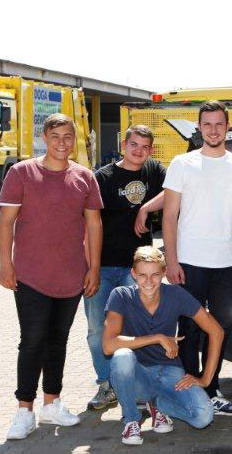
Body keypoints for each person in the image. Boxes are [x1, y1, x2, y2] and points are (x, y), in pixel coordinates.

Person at [0, 113, 103, 440]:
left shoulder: (84, 177)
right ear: (44, 138)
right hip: (30, 275)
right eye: (55, 136)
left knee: (58, 341)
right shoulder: (21, 172)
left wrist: (94, 268)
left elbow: (94, 224)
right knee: (32, 341)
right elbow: (6, 222)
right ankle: (24, 411)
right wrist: (5, 264)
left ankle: (52, 403)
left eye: (68, 136)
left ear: (75, 140)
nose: (62, 142)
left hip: (71, 276)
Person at [163, 100, 232, 415]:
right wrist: (171, 260)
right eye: (207, 124)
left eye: (219, 124)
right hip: (189, 262)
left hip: (226, 263)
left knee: (221, 328)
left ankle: (212, 389)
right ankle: (191, 392)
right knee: (189, 329)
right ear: (199, 127)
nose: (213, 130)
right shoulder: (181, 163)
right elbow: (169, 215)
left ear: (227, 127)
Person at [104, 246, 221, 445]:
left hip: (169, 371)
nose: (149, 281)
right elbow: (108, 345)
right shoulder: (121, 295)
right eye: (142, 275)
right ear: (133, 274)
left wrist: (206, 379)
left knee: (203, 417)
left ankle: (159, 405)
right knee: (122, 356)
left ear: (164, 273)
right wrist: (157, 338)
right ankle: (131, 419)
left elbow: (216, 331)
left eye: (155, 275)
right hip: (137, 375)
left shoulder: (175, 294)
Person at [86, 125, 166, 410]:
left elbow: (175, 192)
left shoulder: (154, 171)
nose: (139, 151)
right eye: (134, 145)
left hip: (138, 269)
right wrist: (91, 268)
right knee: (98, 329)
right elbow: (90, 224)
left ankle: (138, 388)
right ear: (124, 145)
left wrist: (146, 208)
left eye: (145, 147)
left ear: (151, 150)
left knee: (139, 327)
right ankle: (107, 385)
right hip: (104, 266)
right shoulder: (103, 177)